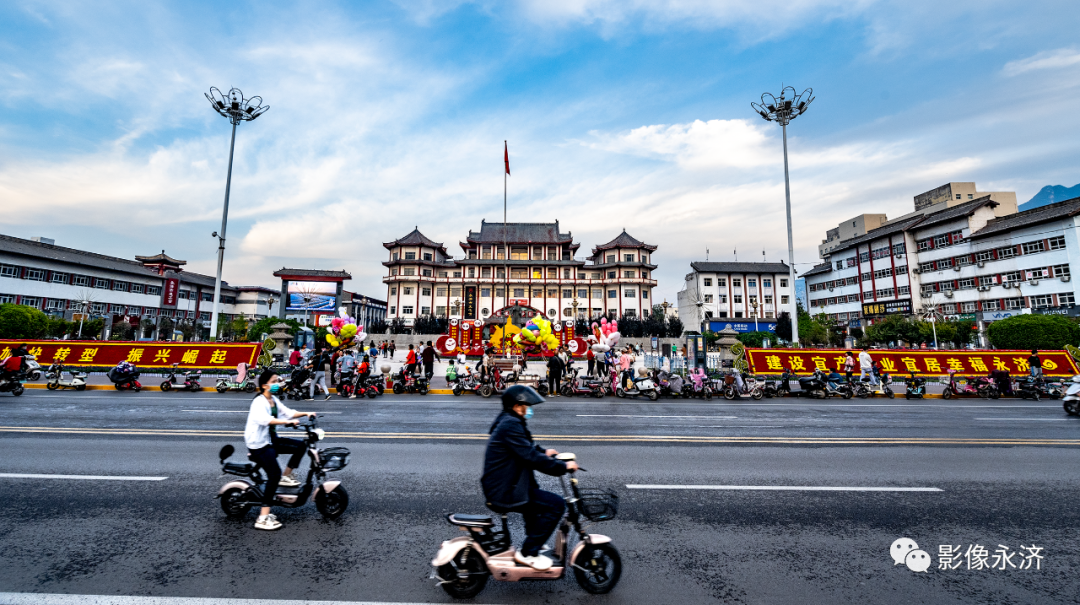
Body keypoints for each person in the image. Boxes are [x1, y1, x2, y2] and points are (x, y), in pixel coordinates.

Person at [481, 385, 577, 570]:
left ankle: (535, 541)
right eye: (527, 405)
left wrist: (546, 452)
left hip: (506, 484)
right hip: (504, 490)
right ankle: (528, 552)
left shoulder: (510, 420)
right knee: (556, 505)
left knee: (535, 496)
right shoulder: (511, 424)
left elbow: (527, 448)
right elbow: (530, 456)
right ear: (517, 406)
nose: (530, 409)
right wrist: (563, 467)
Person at [245, 369, 316, 530]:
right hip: (259, 444)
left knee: (301, 445)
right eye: (274, 382)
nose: (277, 384)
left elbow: (288, 413)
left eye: (278, 381)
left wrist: (306, 413)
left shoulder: (274, 400)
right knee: (273, 475)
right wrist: (286, 423)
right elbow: (265, 420)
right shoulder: (259, 402)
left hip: (271, 440)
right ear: (264, 385)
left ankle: (287, 476)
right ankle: (262, 518)